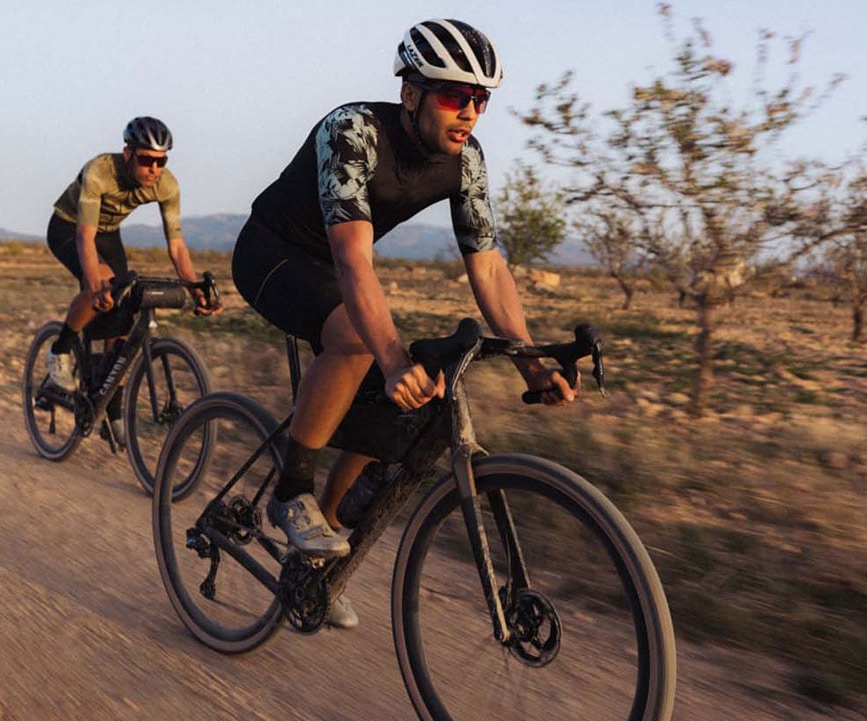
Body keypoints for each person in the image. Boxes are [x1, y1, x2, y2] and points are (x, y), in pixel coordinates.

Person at [231, 19, 573, 627]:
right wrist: (388, 357)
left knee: (419, 384)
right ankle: (290, 492)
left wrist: (531, 358)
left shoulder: (465, 159)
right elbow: (352, 258)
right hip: (273, 252)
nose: (469, 112)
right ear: (410, 93)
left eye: (480, 99)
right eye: (453, 95)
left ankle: (319, 558)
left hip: (337, 270)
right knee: (362, 343)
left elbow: (488, 267)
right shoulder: (353, 131)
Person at [43, 116, 221, 441]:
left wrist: (196, 288)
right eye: (146, 160)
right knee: (105, 282)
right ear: (128, 154)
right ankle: (60, 349)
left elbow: (177, 245)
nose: (154, 169)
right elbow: (85, 237)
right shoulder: (100, 171)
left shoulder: (166, 185)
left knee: (123, 312)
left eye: (161, 161)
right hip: (69, 227)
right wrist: (95, 283)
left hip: (108, 233)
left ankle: (110, 408)